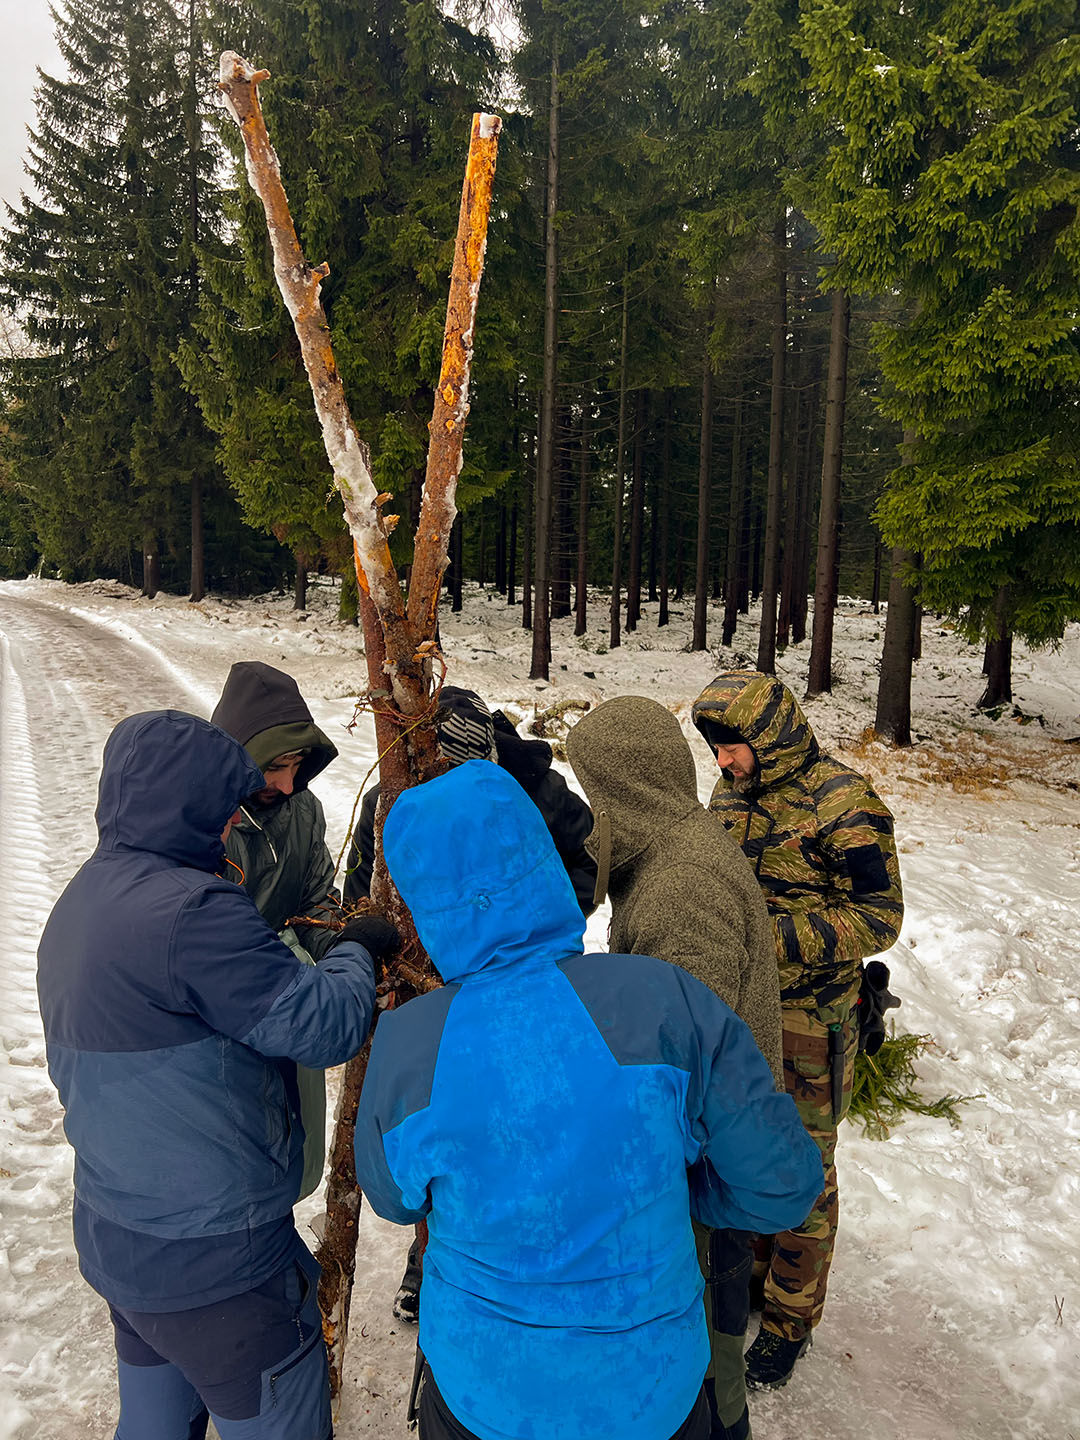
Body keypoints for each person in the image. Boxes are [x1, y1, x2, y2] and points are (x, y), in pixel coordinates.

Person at [354, 760, 824, 1440]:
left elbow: (394, 1199)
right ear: (540, 857)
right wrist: (690, 1191)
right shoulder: (664, 999)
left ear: (424, 901)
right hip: (649, 1393)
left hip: (485, 1394)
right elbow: (781, 1185)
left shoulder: (408, 1043)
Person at [37, 709, 393, 1440]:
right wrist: (359, 949)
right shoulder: (193, 913)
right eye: (226, 806)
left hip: (120, 1243)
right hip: (220, 1267)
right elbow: (324, 1025)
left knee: (154, 1424)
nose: (234, 822)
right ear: (193, 805)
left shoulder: (82, 899)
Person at [566, 695, 783, 1440]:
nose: (593, 816)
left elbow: (682, 1063)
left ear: (627, 788)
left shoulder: (683, 886)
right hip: (701, 1158)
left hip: (702, 1169)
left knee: (701, 1356)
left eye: (596, 794)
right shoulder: (668, 854)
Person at [345, 684, 597, 1323]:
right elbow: (361, 883)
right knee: (437, 1125)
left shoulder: (533, 790)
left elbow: (583, 861)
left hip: (525, 977)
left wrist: (540, 922)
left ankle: (535, 1242)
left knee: (518, 1114)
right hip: (426, 979)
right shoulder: (392, 801)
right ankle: (429, 1256)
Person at [691, 670, 904, 1389]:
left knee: (805, 1170)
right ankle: (754, 1275)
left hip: (813, 1020)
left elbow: (880, 916)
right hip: (741, 1008)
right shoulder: (730, 794)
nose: (723, 761)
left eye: (733, 746)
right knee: (743, 1147)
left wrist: (772, 937)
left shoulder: (844, 802)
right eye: (715, 748)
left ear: (771, 737)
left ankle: (790, 1321)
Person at [212, 660, 345, 1199]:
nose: (287, 783)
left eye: (296, 765)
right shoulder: (206, 823)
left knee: (296, 1136)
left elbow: (317, 899)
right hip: (225, 1010)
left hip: (293, 995)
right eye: (273, 766)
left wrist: (347, 956)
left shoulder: (302, 809)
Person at [343, 685, 597, 915]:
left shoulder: (541, 791)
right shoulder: (387, 806)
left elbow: (591, 860)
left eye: (476, 781)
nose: (463, 795)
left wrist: (548, 919)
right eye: (452, 782)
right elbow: (359, 894)